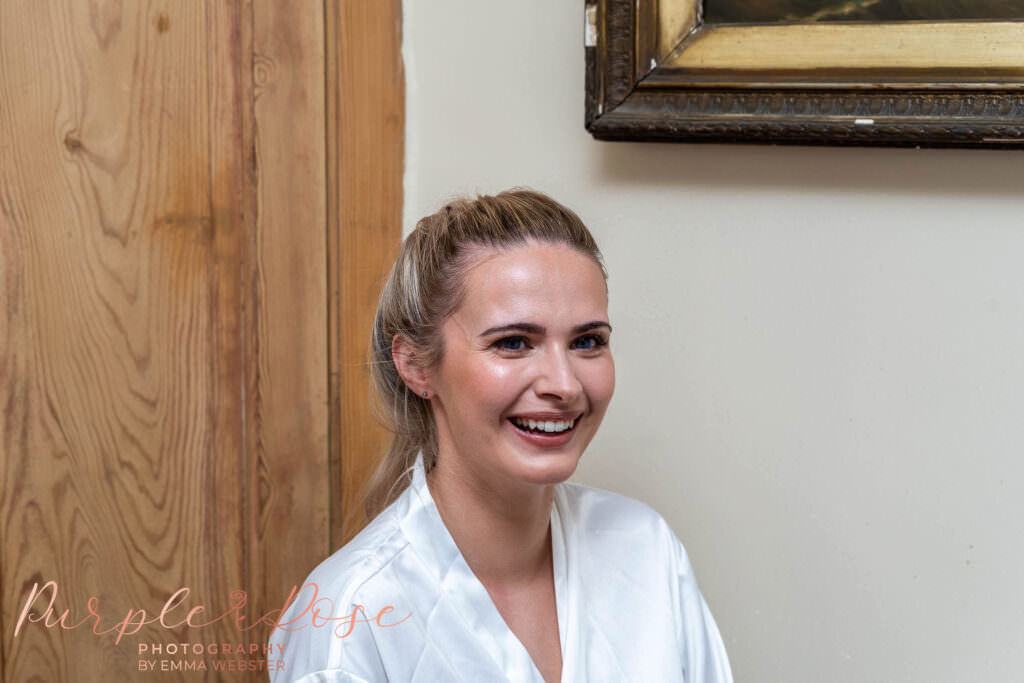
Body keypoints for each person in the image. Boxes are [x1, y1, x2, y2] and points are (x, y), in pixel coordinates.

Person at [268, 189, 732, 682]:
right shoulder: (351, 619)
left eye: (587, 341)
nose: (564, 384)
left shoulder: (646, 551)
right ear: (416, 365)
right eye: (513, 343)